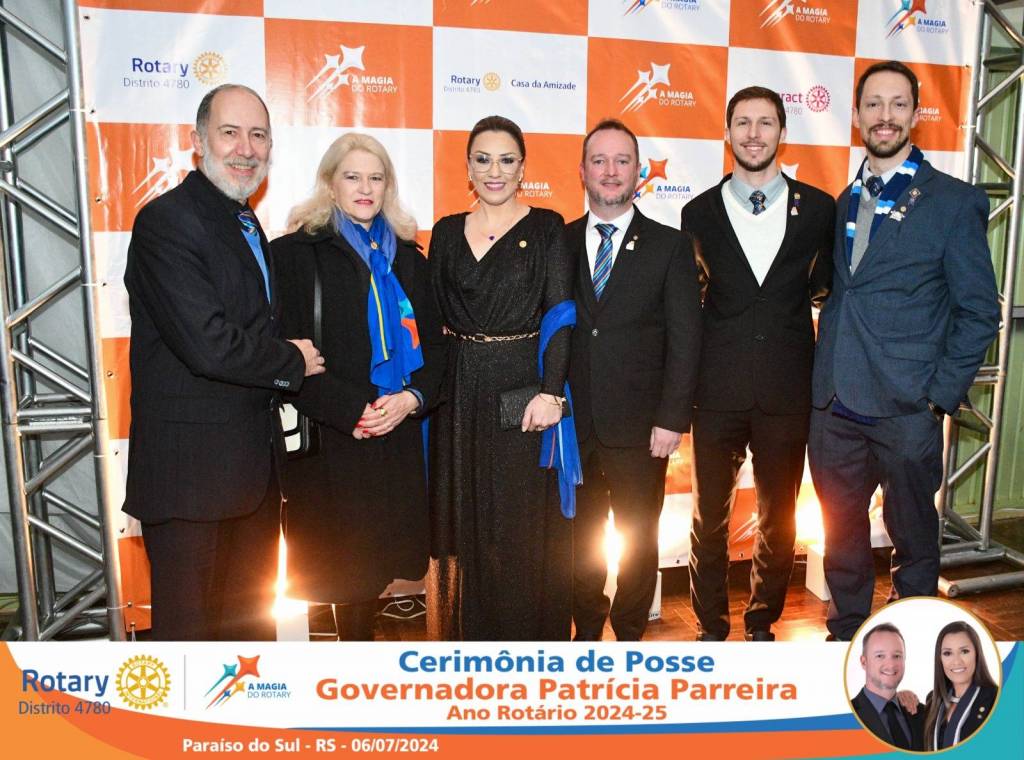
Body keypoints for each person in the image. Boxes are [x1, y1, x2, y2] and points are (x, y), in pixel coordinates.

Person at [122, 84, 325, 640]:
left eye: (258, 135)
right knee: (190, 649)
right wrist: (292, 360)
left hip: (251, 478)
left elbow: (253, 323)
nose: (245, 148)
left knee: (247, 649)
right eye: (229, 133)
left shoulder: (244, 221)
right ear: (197, 140)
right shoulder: (166, 221)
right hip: (190, 482)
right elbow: (207, 343)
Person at [809, 61, 1000, 640]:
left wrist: (938, 398)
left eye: (897, 104)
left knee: (915, 539)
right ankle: (845, 636)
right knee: (841, 536)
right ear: (857, 115)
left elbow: (979, 311)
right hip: (836, 405)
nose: (885, 116)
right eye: (873, 104)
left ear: (916, 114)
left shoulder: (954, 201)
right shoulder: (843, 200)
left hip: (908, 408)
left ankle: (912, 638)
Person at [272, 133, 446, 640]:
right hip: (337, 437)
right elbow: (285, 353)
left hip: (398, 436)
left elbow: (439, 351)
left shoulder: (410, 259)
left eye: (376, 177)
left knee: (379, 569)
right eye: (352, 177)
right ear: (330, 184)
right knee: (345, 574)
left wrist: (411, 399)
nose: (365, 188)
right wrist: (354, 410)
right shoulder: (295, 256)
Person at [681, 87, 834, 642]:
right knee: (708, 520)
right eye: (742, 123)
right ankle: (710, 626)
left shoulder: (818, 208)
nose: (753, 133)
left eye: (765, 122)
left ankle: (762, 622)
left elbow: (825, 291)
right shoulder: (697, 212)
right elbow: (692, 300)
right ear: (727, 133)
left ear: (782, 133)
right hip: (715, 390)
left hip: (786, 391)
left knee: (779, 519)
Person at [427, 115, 574, 641]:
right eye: (483, 160)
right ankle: (471, 644)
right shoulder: (445, 232)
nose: (495, 171)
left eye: (506, 160)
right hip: (459, 392)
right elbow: (429, 321)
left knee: (517, 524)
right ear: (468, 168)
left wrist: (551, 392)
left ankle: (525, 643)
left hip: (523, 391)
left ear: (522, 168)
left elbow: (561, 315)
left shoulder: (548, 226)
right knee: (466, 522)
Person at [567, 119, 701, 641]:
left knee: (639, 541)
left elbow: (686, 339)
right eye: (599, 160)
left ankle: (628, 638)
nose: (610, 171)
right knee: (578, 542)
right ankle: (585, 629)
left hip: (643, 430)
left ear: (638, 172)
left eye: (622, 161)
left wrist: (672, 419)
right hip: (573, 427)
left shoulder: (670, 246)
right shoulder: (558, 241)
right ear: (582, 171)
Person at [923, 621, 999, 749]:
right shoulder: (933, 700)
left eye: (964, 651)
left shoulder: (996, 699)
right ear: (940, 659)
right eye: (948, 653)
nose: (957, 661)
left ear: (977, 654)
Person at [851, 623, 925, 750]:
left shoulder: (921, 713)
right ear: (864, 662)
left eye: (897, 656)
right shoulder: (846, 716)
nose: (890, 665)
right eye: (880, 656)